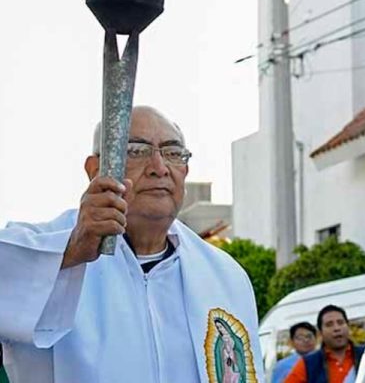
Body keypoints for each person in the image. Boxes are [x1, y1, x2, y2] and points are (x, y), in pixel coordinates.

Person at [0, 106, 265, 383]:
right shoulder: (53, 248)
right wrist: (70, 250)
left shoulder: (225, 277)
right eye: (137, 151)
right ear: (95, 170)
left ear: (185, 170)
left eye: (173, 153)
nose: (159, 168)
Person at [284, 305, 365, 383]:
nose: (336, 328)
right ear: (320, 332)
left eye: (340, 323)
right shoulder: (309, 363)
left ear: (348, 326)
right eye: (329, 325)